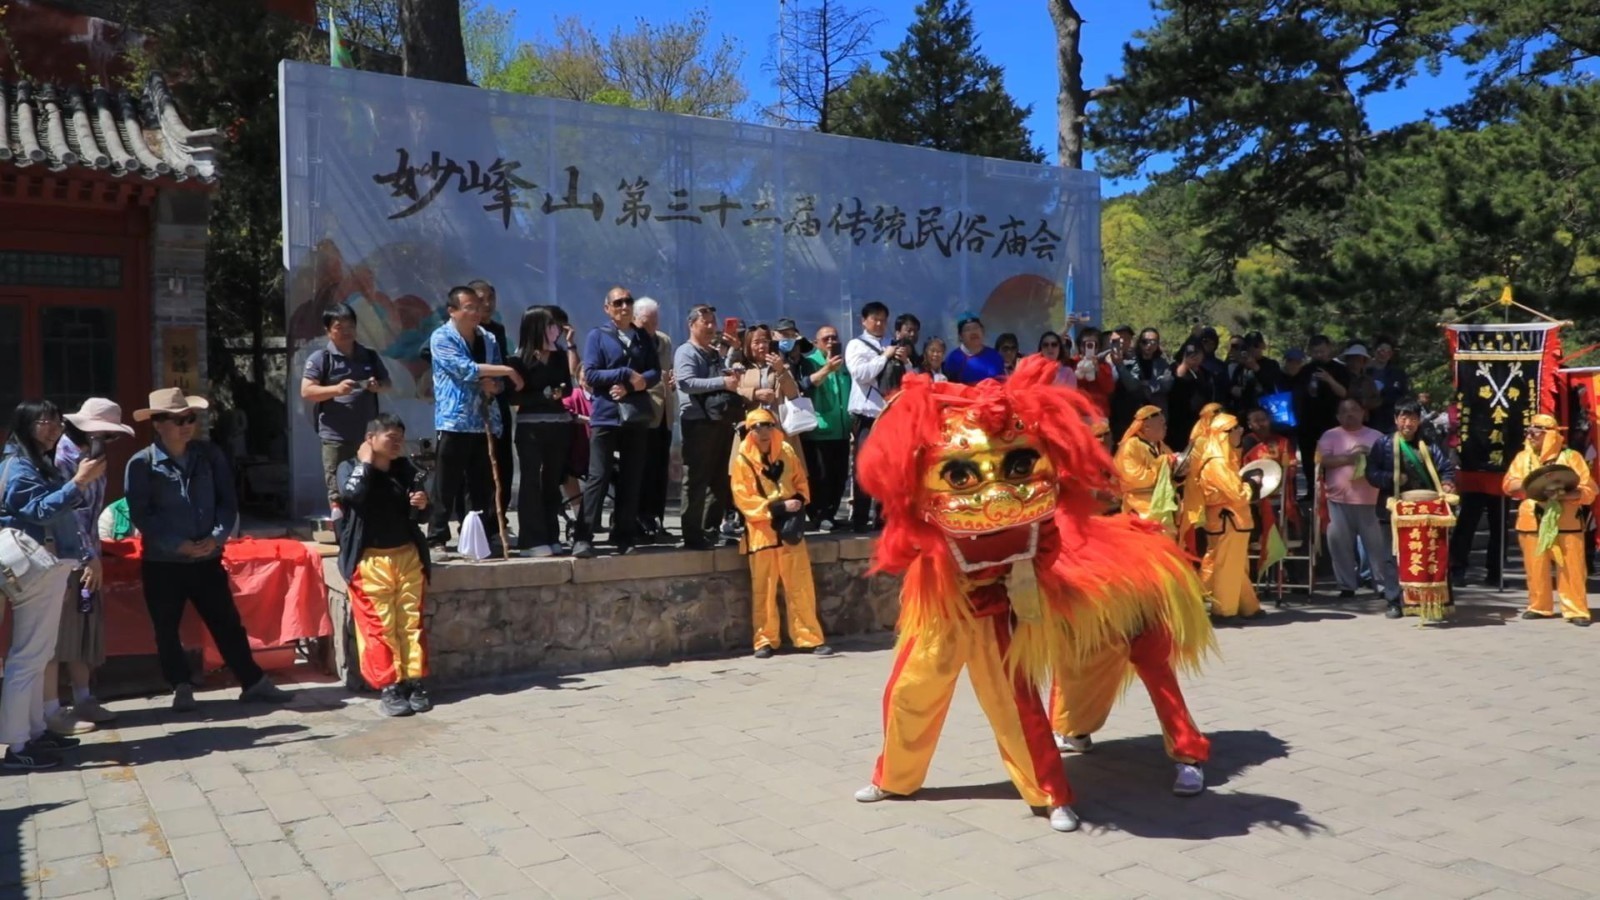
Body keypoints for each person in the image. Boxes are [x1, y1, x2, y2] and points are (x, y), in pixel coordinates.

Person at [852, 358, 1214, 830]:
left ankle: (1051, 793)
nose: (997, 493)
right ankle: (895, 779)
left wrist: (1018, 573)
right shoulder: (926, 496)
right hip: (939, 606)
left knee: (1016, 708)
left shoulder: (1040, 517)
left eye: (1017, 466)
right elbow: (908, 535)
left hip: (998, 610)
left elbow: (1047, 547)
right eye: (964, 475)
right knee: (908, 693)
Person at [125, 388, 293, 711]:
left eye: (190, 418)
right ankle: (180, 685)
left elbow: (227, 503)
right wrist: (178, 544)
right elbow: (142, 514)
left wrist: (216, 538)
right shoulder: (141, 464)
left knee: (226, 622)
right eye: (177, 420)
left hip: (207, 556)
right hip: (164, 562)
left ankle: (253, 681)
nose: (186, 425)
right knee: (166, 627)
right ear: (157, 424)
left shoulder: (209, 455)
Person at [1, 401, 99, 769]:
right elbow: (39, 510)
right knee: (28, 657)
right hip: (32, 565)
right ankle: (16, 743)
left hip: (45, 565)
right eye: (46, 420)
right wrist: (78, 482)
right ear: (26, 425)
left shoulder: (36, 461)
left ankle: (34, 732)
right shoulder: (19, 465)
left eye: (58, 419)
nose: (55, 426)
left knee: (37, 655)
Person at [40, 400, 131, 738]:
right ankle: (51, 709)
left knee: (83, 629)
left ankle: (83, 697)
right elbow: (67, 514)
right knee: (57, 635)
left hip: (88, 555)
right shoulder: (61, 460)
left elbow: (91, 512)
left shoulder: (92, 458)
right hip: (63, 558)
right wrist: (87, 555)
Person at [336, 414, 434, 716]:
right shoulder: (349, 468)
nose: (397, 444)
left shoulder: (405, 469)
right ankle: (389, 686)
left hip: (406, 554)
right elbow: (352, 495)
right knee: (380, 626)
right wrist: (366, 464)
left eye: (399, 439)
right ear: (370, 438)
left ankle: (413, 680)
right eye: (390, 438)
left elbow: (423, 516)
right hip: (370, 560)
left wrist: (422, 504)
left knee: (410, 621)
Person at [426, 286, 523, 552]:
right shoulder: (441, 337)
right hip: (455, 420)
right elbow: (463, 369)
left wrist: (497, 385)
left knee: (480, 485)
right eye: (469, 307)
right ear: (453, 311)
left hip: (483, 420)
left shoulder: (488, 338)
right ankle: (436, 537)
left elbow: (495, 382)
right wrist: (504, 371)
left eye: (478, 307)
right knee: (446, 482)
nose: (475, 313)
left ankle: (476, 537)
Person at [730, 409, 833, 658]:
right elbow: (743, 498)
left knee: (800, 586)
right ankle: (764, 640)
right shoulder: (742, 459)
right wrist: (777, 507)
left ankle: (809, 638)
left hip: (790, 532)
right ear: (750, 430)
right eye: (757, 427)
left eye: (768, 425)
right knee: (764, 590)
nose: (763, 431)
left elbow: (801, 483)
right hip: (762, 534)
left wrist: (797, 501)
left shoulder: (786, 451)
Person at [575, 286, 660, 558]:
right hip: (606, 416)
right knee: (598, 476)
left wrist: (634, 387)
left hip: (634, 415)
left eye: (628, 301)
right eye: (618, 302)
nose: (624, 306)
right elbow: (591, 374)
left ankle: (624, 534)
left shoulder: (643, 337)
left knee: (632, 477)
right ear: (607, 308)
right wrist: (624, 375)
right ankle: (583, 535)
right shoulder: (598, 336)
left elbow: (655, 373)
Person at [1368, 401, 1459, 623]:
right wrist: (1391, 479)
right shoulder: (1383, 444)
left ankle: (1433, 601)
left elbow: (1445, 467)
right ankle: (1394, 602)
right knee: (1394, 556)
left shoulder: (1429, 443)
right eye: (1403, 418)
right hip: (1394, 507)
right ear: (1396, 420)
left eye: (1412, 418)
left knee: (1432, 553)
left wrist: (1447, 482)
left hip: (1426, 508)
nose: (1408, 423)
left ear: (1419, 421)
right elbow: (1371, 473)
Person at [1503, 415, 1596, 626]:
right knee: (1535, 566)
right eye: (1529, 431)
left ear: (1550, 434)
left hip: (1567, 521)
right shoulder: (1522, 457)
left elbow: (1589, 489)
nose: (1530, 436)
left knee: (1572, 566)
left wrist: (1563, 494)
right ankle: (1539, 605)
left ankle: (1575, 609)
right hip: (1532, 519)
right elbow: (1509, 485)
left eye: (1536, 432)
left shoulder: (1571, 457)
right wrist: (1533, 487)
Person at [300, 303, 390, 511]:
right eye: (339, 327)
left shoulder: (369, 355)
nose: (346, 331)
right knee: (337, 490)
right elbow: (307, 391)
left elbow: (388, 384)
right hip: (335, 436)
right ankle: (341, 530)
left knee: (368, 483)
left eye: (350, 326)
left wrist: (378, 387)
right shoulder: (321, 358)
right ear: (328, 331)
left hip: (367, 436)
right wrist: (336, 390)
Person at [507, 305, 575, 557]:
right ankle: (530, 539)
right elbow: (515, 396)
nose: (556, 330)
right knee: (531, 480)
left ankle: (551, 534)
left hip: (557, 424)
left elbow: (566, 388)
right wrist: (543, 395)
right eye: (550, 325)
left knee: (552, 480)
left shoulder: (558, 356)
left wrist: (557, 393)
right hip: (531, 427)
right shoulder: (518, 360)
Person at [1184, 412, 1263, 622]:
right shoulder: (1218, 461)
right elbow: (1237, 494)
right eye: (1235, 428)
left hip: (1228, 520)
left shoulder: (1222, 457)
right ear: (1224, 433)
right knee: (1229, 565)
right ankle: (1225, 611)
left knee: (1231, 563)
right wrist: (1252, 484)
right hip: (1230, 519)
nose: (1240, 431)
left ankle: (1248, 605)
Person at [1318, 399, 1398, 602]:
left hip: (1371, 500)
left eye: (1354, 410)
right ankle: (1346, 585)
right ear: (1338, 416)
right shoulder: (1330, 435)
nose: (1350, 414)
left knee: (1377, 546)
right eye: (1344, 411)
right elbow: (1322, 461)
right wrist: (1349, 458)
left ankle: (1381, 584)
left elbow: (1388, 463)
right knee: (1340, 545)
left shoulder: (1377, 436)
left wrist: (1370, 455)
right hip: (1338, 500)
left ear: (1364, 413)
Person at [676, 304, 742, 550]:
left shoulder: (713, 352)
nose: (712, 326)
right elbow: (686, 382)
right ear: (692, 324)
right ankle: (691, 533)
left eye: (714, 321)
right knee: (695, 478)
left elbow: (725, 374)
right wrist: (722, 382)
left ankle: (710, 529)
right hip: (697, 421)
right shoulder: (686, 352)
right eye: (706, 322)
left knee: (718, 477)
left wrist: (733, 351)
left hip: (720, 419)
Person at [845, 301, 901, 533]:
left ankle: (882, 518)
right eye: (874, 319)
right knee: (864, 468)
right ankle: (859, 518)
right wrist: (884, 357)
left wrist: (900, 358)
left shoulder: (891, 344)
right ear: (864, 320)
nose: (879, 323)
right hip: (867, 416)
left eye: (882, 319)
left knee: (888, 470)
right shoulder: (856, 345)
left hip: (890, 416)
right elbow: (861, 374)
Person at [469, 280, 516, 525]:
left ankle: (499, 517)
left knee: (503, 464)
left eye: (491, 299)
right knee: (478, 468)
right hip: (471, 409)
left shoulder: (497, 330)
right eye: (481, 299)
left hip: (498, 403)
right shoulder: (460, 331)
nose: (486, 304)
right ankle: (479, 521)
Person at [798, 324, 851, 530]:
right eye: (826, 338)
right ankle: (819, 515)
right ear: (815, 342)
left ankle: (831, 513)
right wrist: (827, 368)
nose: (831, 342)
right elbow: (805, 385)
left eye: (834, 338)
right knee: (821, 476)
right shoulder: (810, 362)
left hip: (842, 429)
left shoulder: (844, 364)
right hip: (819, 430)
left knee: (839, 475)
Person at [633, 297, 676, 544]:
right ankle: (638, 518)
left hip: (664, 414)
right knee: (642, 469)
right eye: (646, 322)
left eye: (655, 321)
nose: (651, 327)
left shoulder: (664, 341)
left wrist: (671, 381)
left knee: (660, 469)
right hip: (642, 413)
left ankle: (656, 517)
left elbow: (666, 370)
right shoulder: (632, 341)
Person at [1291, 336, 1350, 492]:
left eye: (1322, 351)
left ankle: (1333, 490)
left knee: (1331, 458)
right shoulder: (1304, 371)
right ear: (1310, 352)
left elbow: (1344, 393)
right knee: (1309, 459)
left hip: (1331, 421)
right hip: (1307, 422)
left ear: (1329, 349)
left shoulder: (1340, 369)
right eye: (1315, 352)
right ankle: (1312, 490)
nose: (1319, 355)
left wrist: (1329, 380)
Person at [1113, 405, 1180, 535]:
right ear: (1147, 428)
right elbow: (1133, 478)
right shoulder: (1131, 446)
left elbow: (1172, 474)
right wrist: (1162, 463)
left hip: (1163, 507)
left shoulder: (1161, 445)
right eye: (1161, 424)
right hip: (1141, 506)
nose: (1165, 427)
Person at [942, 315, 1007, 385]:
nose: (973, 332)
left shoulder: (995, 356)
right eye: (968, 329)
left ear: (983, 331)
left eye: (976, 328)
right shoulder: (953, 359)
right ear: (960, 336)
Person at [1369, 337, 1409, 432]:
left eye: (1388, 352)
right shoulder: (1365, 371)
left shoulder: (1398, 373)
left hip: (1390, 419)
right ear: (1375, 351)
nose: (1384, 354)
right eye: (1381, 350)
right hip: (1369, 417)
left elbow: (1403, 395)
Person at [877, 313, 922, 395]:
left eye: (915, 331)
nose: (912, 334)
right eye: (909, 331)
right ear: (897, 333)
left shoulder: (919, 358)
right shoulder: (889, 354)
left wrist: (906, 362)